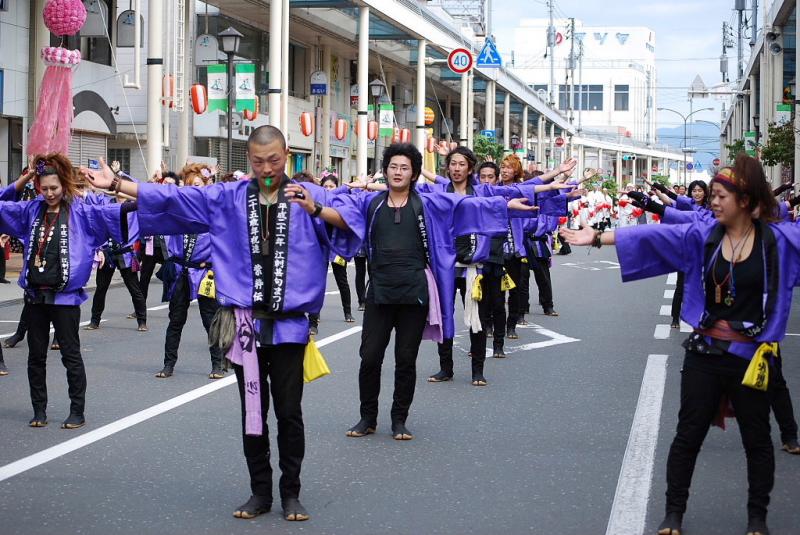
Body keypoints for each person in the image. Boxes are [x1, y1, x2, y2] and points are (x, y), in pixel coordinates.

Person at [83, 126, 362, 523]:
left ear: (287, 156)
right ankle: (259, 491)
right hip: (243, 325)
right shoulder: (228, 197)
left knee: (289, 412)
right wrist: (121, 184)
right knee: (253, 411)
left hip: (290, 326)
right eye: (259, 161)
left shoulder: (311, 195)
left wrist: (315, 209)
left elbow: (352, 221)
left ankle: (291, 493)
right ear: (249, 159)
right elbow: (177, 197)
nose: (267, 169)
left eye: (275, 160)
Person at [560, 156, 799, 535]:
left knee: (757, 440)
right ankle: (673, 513)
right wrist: (598, 237)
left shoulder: (780, 241)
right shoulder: (703, 235)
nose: (714, 202)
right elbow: (653, 237)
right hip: (705, 352)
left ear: (745, 199)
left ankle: (758, 518)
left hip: (752, 357)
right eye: (713, 195)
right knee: (688, 436)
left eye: (721, 196)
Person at [340, 143, 535, 439]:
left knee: (406, 359)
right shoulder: (373, 203)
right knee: (369, 357)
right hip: (379, 292)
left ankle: (399, 419)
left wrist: (506, 206)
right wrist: (314, 207)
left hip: (414, 292)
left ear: (415, 173)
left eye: (404, 167)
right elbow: (341, 211)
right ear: (386, 170)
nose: (398, 172)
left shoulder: (426, 204)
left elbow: (466, 206)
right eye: (393, 166)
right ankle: (367, 417)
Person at [0, 153, 131, 429]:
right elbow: (1, 205)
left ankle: (77, 411)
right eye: (44, 188)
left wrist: (117, 186)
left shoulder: (81, 211)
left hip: (66, 299)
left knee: (70, 355)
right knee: (36, 357)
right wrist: (24, 179)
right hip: (35, 297)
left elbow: (117, 211)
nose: (49, 193)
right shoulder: (31, 210)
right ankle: (39, 410)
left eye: (54, 188)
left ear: (65, 185)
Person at [155, 164, 225, 380]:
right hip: (180, 272)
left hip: (204, 273)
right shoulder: (177, 211)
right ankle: (168, 364)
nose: (191, 190)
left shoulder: (214, 212)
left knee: (209, 319)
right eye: (188, 186)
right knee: (176, 319)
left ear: (207, 185)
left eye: (196, 185)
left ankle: (218, 363)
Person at [84, 184, 148, 332]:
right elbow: (90, 200)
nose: (120, 193)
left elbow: (145, 201)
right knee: (101, 288)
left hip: (126, 252)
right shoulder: (106, 203)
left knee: (134, 288)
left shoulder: (133, 207)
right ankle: (95, 320)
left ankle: (142, 321)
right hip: (108, 253)